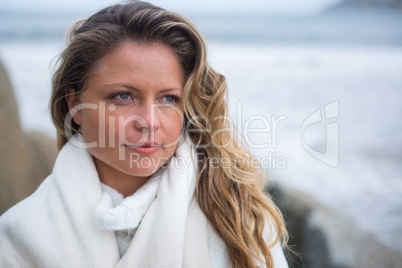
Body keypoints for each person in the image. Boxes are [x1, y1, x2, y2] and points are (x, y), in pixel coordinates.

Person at [0, 1, 289, 267]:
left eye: (168, 99)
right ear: (75, 104)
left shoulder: (238, 217)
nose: (149, 122)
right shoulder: (17, 236)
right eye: (123, 96)